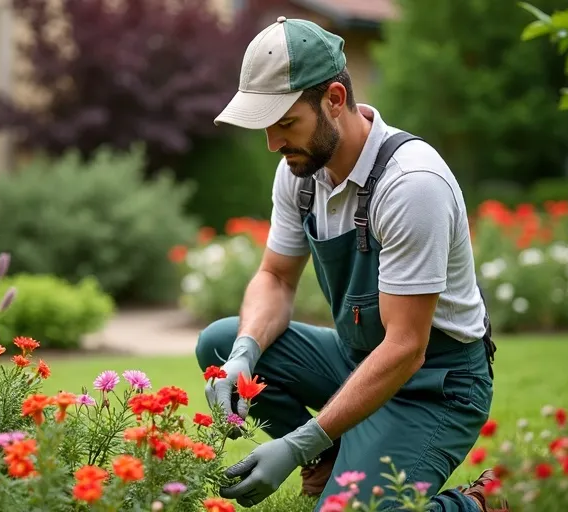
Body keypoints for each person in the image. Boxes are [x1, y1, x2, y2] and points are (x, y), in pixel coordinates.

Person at [194, 15, 508, 512]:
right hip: (359, 358)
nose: (273, 143)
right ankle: (340, 452)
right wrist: (243, 355)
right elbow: (275, 277)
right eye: (266, 126)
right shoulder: (300, 172)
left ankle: (480, 505)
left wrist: (298, 441)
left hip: (434, 383)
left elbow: (406, 348)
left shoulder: (411, 184)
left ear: (335, 100)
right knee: (220, 341)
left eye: (286, 123)